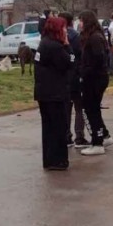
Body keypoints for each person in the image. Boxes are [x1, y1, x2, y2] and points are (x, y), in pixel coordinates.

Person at [34, 16, 73, 171]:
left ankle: (49, 159)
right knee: (58, 127)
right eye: (63, 28)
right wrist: (68, 47)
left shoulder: (44, 43)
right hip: (55, 93)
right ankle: (58, 160)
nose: (65, 30)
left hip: (44, 92)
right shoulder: (55, 47)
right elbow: (69, 62)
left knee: (48, 127)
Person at [78, 10, 113, 156]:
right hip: (94, 78)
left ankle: (97, 142)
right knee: (93, 109)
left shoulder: (95, 38)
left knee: (91, 109)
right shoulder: (92, 37)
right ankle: (103, 135)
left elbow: (98, 60)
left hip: (95, 79)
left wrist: (83, 72)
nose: (79, 24)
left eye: (80, 20)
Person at [59, 12, 88, 148]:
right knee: (79, 107)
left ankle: (66, 136)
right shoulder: (76, 36)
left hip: (63, 76)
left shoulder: (57, 35)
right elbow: (79, 56)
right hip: (75, 75)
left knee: (66, 108)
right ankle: (79, 137)